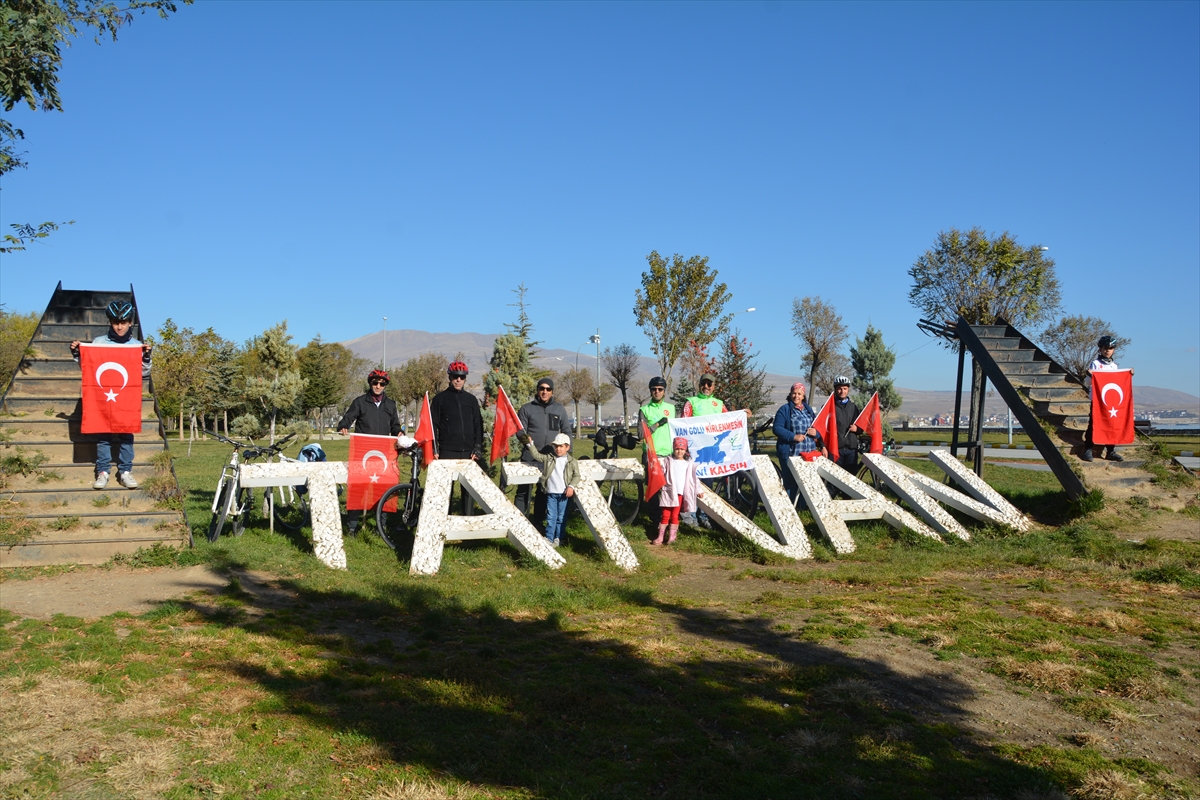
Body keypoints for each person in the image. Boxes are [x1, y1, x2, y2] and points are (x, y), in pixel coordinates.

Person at [70, 301, 152, 490]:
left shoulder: (136, 345)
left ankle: (125, 471)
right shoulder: (98, 343)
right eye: (116, 322)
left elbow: (144, 373)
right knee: (103, 435)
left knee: (126, 434)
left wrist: (146, 358)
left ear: (131, 323)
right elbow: (89, 367)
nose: (120, 326)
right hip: (102, 397)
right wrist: (78, 354)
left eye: (123, 322)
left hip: (125, 398)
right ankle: (103, 471)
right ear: (110, 322)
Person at [338, 369, 402, 533]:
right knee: (358, 488)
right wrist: (343, 425)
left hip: (383, 455)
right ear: (370, 383)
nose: (378, 386)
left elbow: (395, 425)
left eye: (382, 383)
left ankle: (381, 526)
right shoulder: (359, 402)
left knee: (383, 489)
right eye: (375, 382)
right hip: (362, 454)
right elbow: (348, 417)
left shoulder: (390, 404)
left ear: (385, 385)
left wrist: (399, 432)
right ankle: (352, 527)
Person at [430, 360, 484, 513]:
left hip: (468, 452)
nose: (458, 380)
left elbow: (478, 425)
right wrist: (434, 447)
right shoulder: (440, 399)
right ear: (450, 377)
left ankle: (468, 523)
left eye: (462, 377)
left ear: (465, 378)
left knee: (468, 490)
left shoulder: (471, 400)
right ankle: (442, 522)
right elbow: (433, 425)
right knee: (445, 489)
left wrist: (478, 447)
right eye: (455, 376)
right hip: (447, 450)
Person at [515, 377, 571, 521]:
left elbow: (566, 431)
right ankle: (519, 522)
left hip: (550, 459)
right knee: (523, 491)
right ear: (538, 390)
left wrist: (567, 454)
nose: (544, 392)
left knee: (544, 492)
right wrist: (526, 440)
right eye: (542, 389)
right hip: (529, 456)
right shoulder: (526, 409)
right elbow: (520, 431)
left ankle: (538, 523)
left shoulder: (559, 409)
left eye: (548, 389)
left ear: (552, 392)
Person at [682, 373, 727, 527]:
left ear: (714, 386)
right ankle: (691, 517)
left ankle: (705, 516)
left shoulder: (719, 404)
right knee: (692, 484)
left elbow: (730, 421)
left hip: (712, 453)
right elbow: (683, 424)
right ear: (699, 385)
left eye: (710, 384)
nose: (706, 387)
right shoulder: (690, 402)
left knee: (708, 485)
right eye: (704, 384)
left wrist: (743, 414)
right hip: (694, 451)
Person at [523, 433, 579, 547]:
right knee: (551, 516)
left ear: (567, 447)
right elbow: (537, 455)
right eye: (556, 446)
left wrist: (571, 486)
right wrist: (530, 444)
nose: (558, 449)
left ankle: (558, 537)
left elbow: (576, 476)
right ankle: (549, 537)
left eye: (561, 446)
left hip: (564, 494)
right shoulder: (549, 458)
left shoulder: (572, 461)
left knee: (561, 517)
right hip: (551, 494)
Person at [1082, 335, 1132, 462]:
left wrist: (1128, 374)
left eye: (1110, 348)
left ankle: (1110, 451)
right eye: (1105, 348)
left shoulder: (1114, 366)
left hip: (1111, 402)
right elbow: (1088, 383)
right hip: (1098, 400)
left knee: (1111, 424)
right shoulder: (1095, 364)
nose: (1108, 350)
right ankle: (1088, 449)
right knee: (1093, 424)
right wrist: (1089, 375)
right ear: (1100, 349)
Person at [773, 382, 821, 504]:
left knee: (807, 480)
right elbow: (777, 428)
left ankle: (804, 505)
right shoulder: (784, 410)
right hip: (791, 453)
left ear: (803, 396)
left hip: (808, 453)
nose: (796, 396)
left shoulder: (808, 410)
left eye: (799, 393)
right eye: (794, 393)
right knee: (790, 481)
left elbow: (818, 428)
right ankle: (789, 506)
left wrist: (816, 433)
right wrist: (793, 436)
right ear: (790, 394)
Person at [653, 436, 702, 546]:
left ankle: (672, 537)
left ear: (685, 450)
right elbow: (661, 473)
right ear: (673, 449)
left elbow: (694, 479)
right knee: (665, 514)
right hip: (668, 492)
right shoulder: (668, 461)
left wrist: (699, 490)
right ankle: (660, 537)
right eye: (677, 449)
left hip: (679, 494)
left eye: (682, 449)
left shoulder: (688, 464)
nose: (679, 451)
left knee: (675, 515)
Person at [636, 376, 675, 458]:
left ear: (664, 391)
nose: (657, 391)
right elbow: (641, 434)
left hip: (669, 454)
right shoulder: (644, 410)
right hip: (651, 454)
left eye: (660, 389)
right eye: (654, 389)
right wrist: (657, 424)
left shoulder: (672, 408)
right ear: (650, 391)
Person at [831, 376, 862, 473]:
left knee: (851, 479)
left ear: (848, 390)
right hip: (836, 449)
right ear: (835, 389)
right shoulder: (829, 407)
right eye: (839, 388)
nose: (842, 391)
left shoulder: (853, 407)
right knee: (834, 479)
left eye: (845, 388)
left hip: (851, 449)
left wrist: (857, 429)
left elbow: (861, 426)